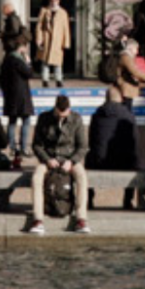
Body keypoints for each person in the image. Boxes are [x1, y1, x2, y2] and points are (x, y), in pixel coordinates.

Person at [22, 94, 92, 236]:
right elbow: (37, 145)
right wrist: (47, 159)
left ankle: (81, 218)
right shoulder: (44, 118)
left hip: (70, 158)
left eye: (64, 115)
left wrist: (71, 161)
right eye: (59, 115)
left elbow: (83, 146)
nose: (61, 118)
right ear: (55, 109)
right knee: (36, 178)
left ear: (69, 109)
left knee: (82, 177)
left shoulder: (76, 119)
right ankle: (38, 219)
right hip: (49, 158)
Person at [91, 37, 145, 204]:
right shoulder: (129, 118)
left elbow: (92, 141)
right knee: (134, 159)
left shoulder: (96, 115)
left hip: (100, 160)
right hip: (124, 160)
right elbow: (134, 141)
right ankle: (128, 198)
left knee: (89, 157)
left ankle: (88, 199)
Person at [0, 37, 35, 159]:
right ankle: (24, 147)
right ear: (21, 47)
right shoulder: (18, 61)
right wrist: (28, 62)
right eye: (25, 47)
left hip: (10, 96)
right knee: (26, 121)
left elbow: (2, 78)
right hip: (22, 96)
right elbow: (29, 73)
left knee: (12, 122)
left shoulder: (6, 60)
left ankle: (12, 147)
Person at [35, 0, 71, 87]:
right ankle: (45, 80)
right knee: (45, 61)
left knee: (58, 62)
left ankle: (58, 80)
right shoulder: (44, 11)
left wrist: (66, 42)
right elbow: (39, 26)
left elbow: (66, 28)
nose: (53, 2)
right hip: (46, 39)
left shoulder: (63, 13)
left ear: (58, 1)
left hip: (57, 41)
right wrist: (39, 39)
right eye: (51, 0)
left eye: (55, 0)